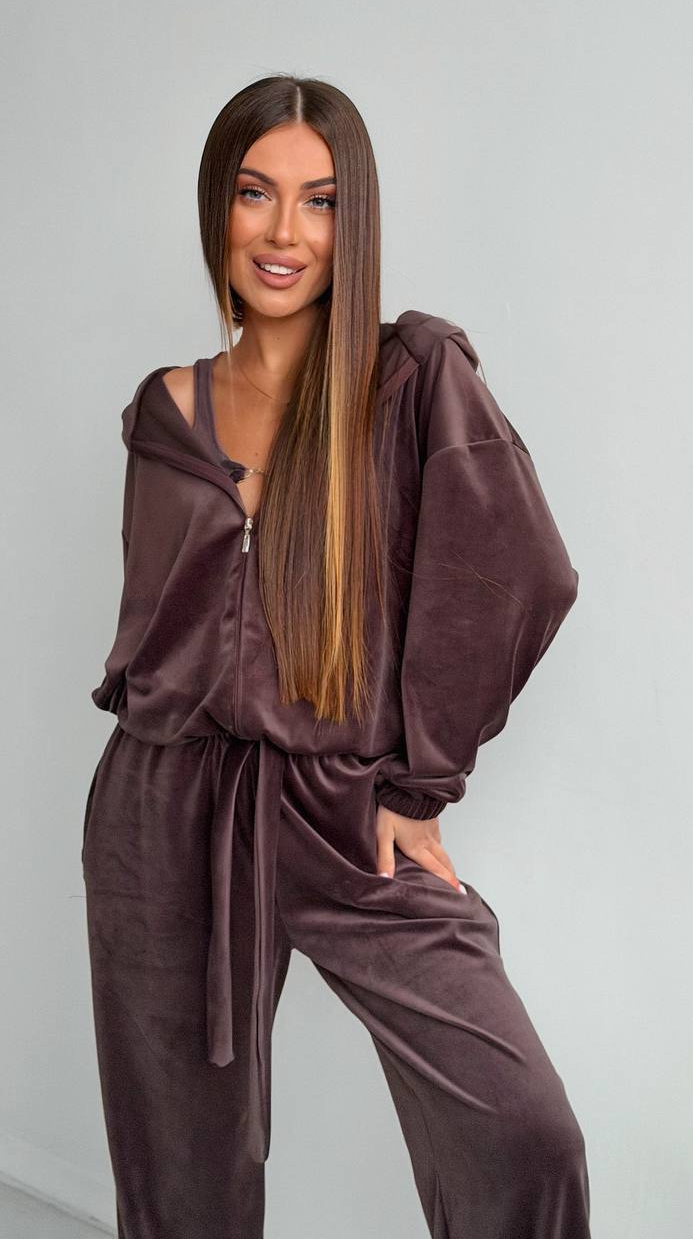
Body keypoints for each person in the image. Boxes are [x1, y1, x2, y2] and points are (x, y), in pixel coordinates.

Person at [81, 73, 591, 1239]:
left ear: (353, 222)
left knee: (522, 1127)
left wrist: (419, 785)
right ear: (216, 206)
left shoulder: (409, 378)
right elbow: (158, 618)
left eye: (320, 201)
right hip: (163, 806)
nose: (284, 232)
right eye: (254, 192)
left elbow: (517, 573)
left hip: (343, 804)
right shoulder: (165, 410)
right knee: (179, 1172)